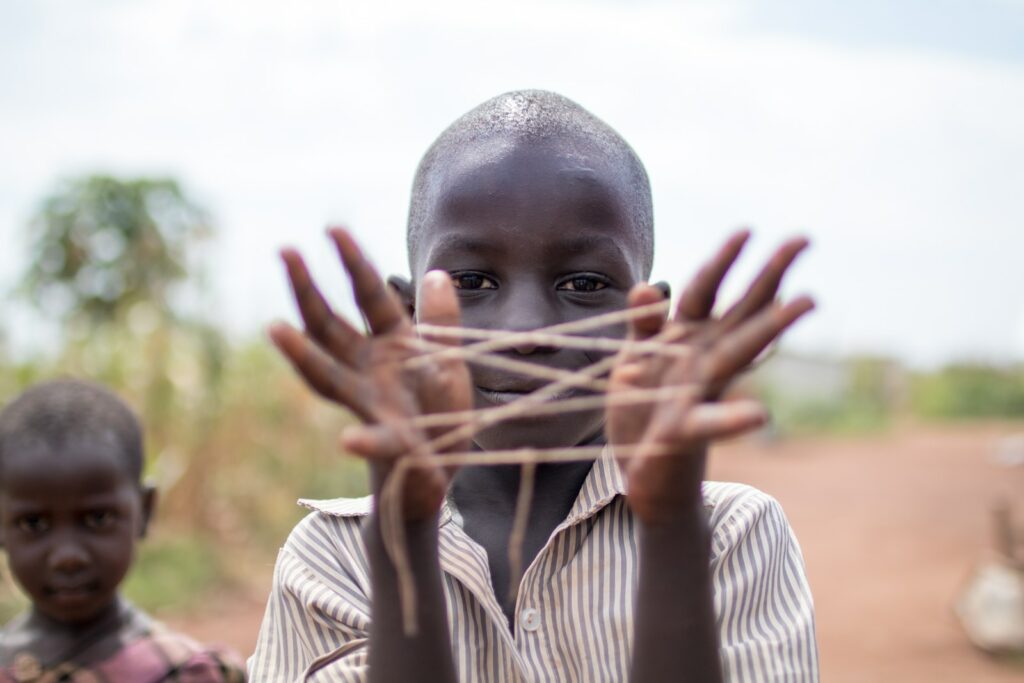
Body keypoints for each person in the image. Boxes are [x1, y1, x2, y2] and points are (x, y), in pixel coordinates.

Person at [251, 90, 819, 682]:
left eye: (582, 283)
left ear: (648, 326)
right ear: (406, 313)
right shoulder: (332, 558)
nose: (525, 332)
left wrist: (672, 525)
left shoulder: (727, 535)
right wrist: (406, 536)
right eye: (472, 280)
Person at [0, 378, 247, 682]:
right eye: (34, 524)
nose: (67, 557)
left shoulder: (186, 672)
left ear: (145, 511)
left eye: (98, 518)